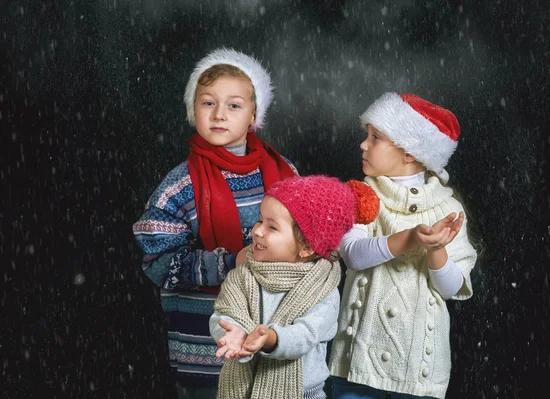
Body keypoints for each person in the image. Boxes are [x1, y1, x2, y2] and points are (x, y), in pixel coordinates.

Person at [132, 48, 297, 398]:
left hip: (275, 340)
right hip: (208, 349)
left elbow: (309, 245)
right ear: (193, 109)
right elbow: (157, 263)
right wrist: (228, 263)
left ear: (254, 114)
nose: (219, 114)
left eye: (234, 105)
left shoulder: (285, 174)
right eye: (208, 103)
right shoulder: (180, 186)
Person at [328, 93, 479, 399]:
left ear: (410, 152)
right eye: (366, 136)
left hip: (417, 376)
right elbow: (352, 255)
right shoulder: (359, 195)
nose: (363, 145)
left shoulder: (447, 209)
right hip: (358, 364)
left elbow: (451, 289)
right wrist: (408, 239)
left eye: (376, 137)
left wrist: (436, 249)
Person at [209, 175, 380, 399]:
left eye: (272, 227)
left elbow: (306, 335)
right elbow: (225, 313)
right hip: (242, 391)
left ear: (307, 247)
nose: (258, 231)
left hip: (303, 392)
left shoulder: (322, 288)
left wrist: (271, 339)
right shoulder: (243, 275)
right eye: (260, 220)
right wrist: (233, 333)